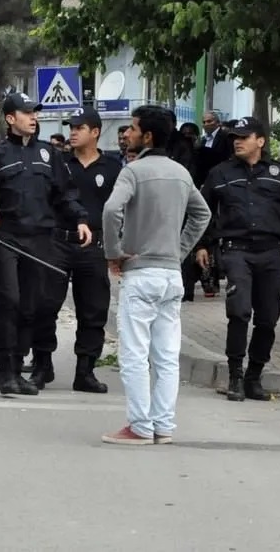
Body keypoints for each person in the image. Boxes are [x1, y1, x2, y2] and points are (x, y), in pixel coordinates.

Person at [101, 104, 211, 444]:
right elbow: (201, 213)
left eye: (132, 128)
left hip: (140, 272)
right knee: (166, 356)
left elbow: (110, 209)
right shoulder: (181, 173)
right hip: (171, 275)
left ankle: (139, 426)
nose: (127, 134)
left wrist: (113, 253)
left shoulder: (132, 172)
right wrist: (179, 250)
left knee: (134, 353)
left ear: (147, 136)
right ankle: (164, 426)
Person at [198, 117, 280, 401]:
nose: (237, 141)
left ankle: (254, 376)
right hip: (236, 249)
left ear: (261, 141)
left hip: (270, 251)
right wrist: (202, 245)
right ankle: (235, 377)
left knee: (267, 318)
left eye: (244, 136)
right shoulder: (220, 173)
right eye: (234, 137)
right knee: (239, 311)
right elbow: (203, 211)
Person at [0, 93, 90, 395]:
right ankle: (5, 370)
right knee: (9, 301)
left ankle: (19, 368)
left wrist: (81, 219)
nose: (33, 118)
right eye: (26, 112)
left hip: (40, 240)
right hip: (7, 238)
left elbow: (65, 194)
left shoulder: (49, 154)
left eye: (35, 112)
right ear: (10, 118)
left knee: (31, 306)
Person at [60, 107, 122, 393]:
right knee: (44, 304)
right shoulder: (59, 163)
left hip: (95, 246)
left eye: (79, 127)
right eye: (71, 127)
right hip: (60, 242)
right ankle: (40, 366)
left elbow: (121, 209)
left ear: (95, 132)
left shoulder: (112, 167)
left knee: (93, 310)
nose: (73, 132)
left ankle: (85, 371)